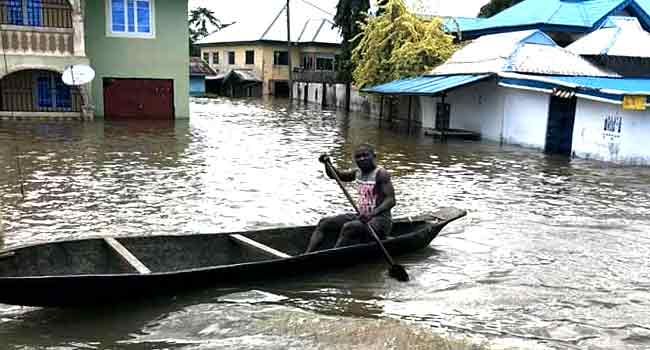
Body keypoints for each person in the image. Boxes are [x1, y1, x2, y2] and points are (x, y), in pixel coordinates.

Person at [305, 143, 396, 253]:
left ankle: (332, 257)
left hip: (380, 221)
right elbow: (335, 175)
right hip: (361, 216)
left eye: (365, 155)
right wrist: (327, 164)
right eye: (358, 157)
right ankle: (307, 254)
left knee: (349, 227)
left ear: (374, 156)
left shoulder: (381, 174)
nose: (362, 159)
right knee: (324, 222)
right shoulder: (357, 172)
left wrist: (371, 214)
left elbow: (391, 200)